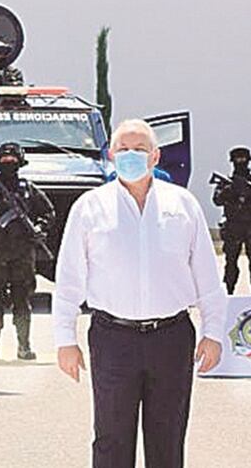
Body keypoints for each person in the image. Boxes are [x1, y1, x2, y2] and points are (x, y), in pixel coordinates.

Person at [54, 119, 226, 467]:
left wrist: (213, 333)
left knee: (168, 437)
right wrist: (65, 340)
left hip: (172, 337)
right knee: (111, 438)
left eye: (140, 149)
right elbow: (69, 278)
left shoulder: (183, 205)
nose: (131, 156)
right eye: (124, 149)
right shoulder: (89, 208)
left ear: (156, 156)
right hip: (113, 338)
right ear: (111, 155)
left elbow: (208, 276)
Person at [0, 142, 54, 360]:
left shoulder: (28, 189)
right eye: (4, 160)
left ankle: (24, 346)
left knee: (22, 299)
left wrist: (40, 228)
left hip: (22, 253)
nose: (8, 163)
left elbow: (48, 212)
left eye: (12, 160)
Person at [212, 146, 251, 294]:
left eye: (243, 159)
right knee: (230, 266)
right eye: (237, 159)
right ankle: (228, 294)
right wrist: (230, 190)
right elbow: (217, 200)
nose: (240, 162)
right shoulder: (227, 181)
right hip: (233, 228)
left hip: (250, 227)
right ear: (232, 161)